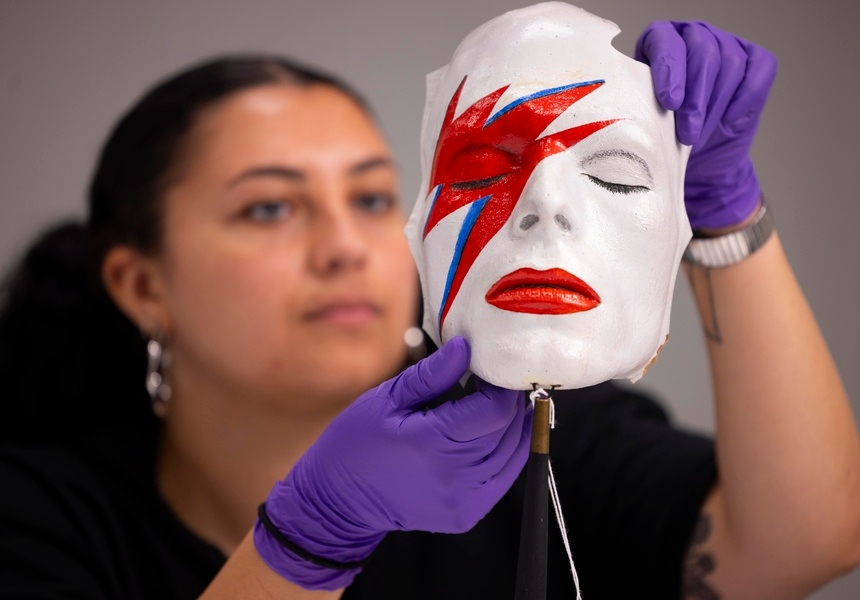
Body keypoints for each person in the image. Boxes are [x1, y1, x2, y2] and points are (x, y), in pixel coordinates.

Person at [1, 17, 858, 600]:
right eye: (269, 208)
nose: (345, 246)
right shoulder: (36, 514)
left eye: (373, 200)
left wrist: (724, 209)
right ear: (141, 284)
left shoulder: (538, 440)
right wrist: (308, 541)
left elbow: (811, 540)